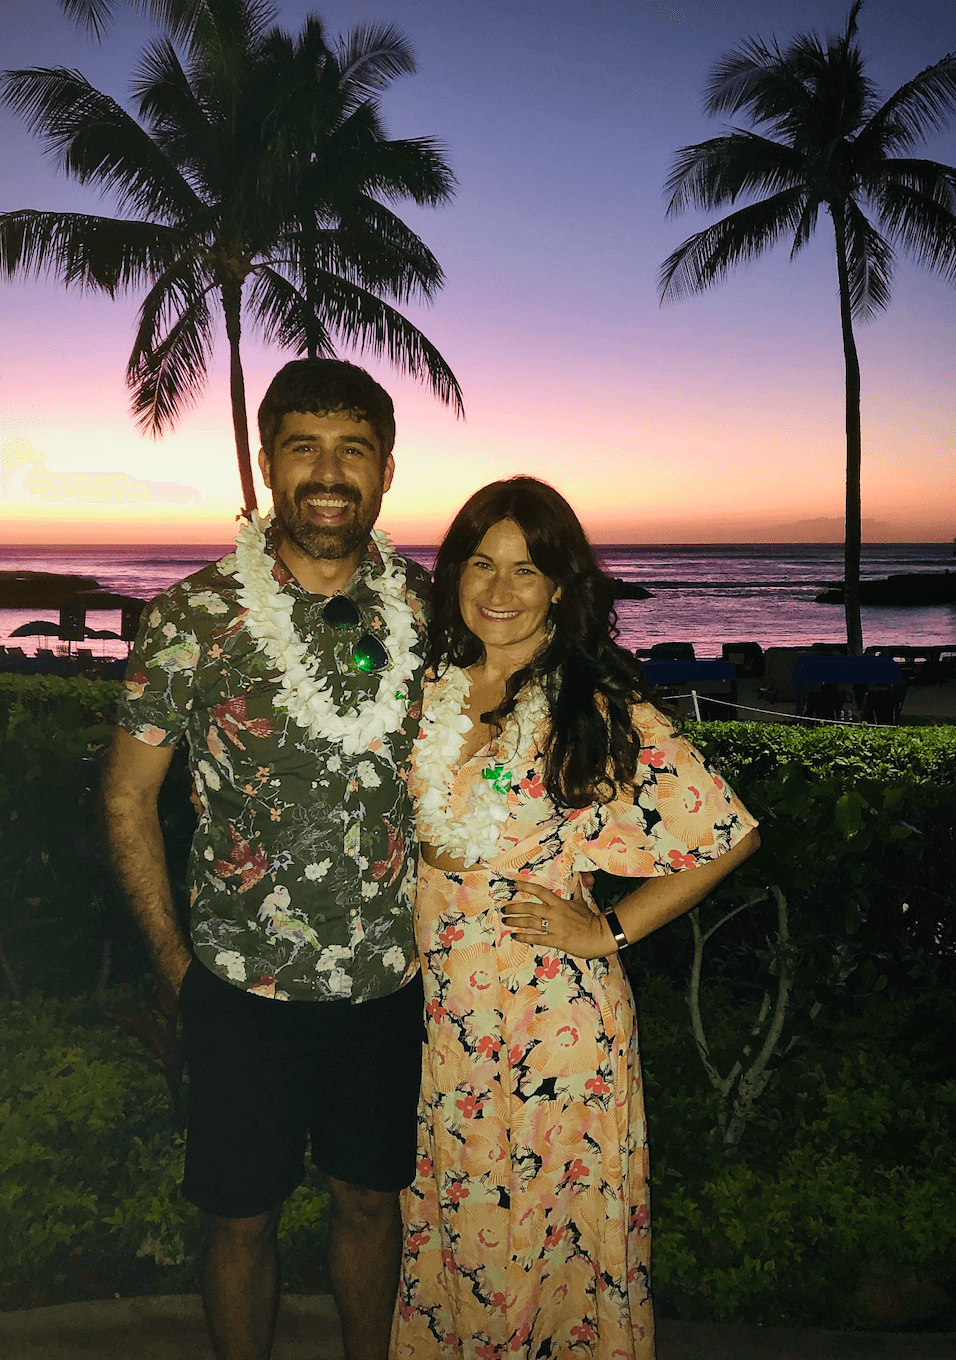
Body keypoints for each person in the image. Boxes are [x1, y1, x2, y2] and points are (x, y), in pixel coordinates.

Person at [100, 359, 430, 1360]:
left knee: (370, 1204)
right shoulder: (195, 617)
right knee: (239, 1219)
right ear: (267, 462)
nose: (329, 472)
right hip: (240, 984)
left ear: (384, 469)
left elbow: (496, 763)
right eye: (304, 448)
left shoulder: (430, 610)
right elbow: (127, 795)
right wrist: (172, 961)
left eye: (353, 451)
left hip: (386, 984)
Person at [392, 477, 760, 1359]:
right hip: (440, 1022)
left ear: (561, 585)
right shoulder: (428, 692)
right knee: (458, 1227)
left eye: (528, 569)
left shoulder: (589, 705)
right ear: (454, 576)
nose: (500, 589)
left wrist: (607, 930)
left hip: (549, 1023)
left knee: (545, 1245)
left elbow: (725, 835)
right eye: (481, 564)